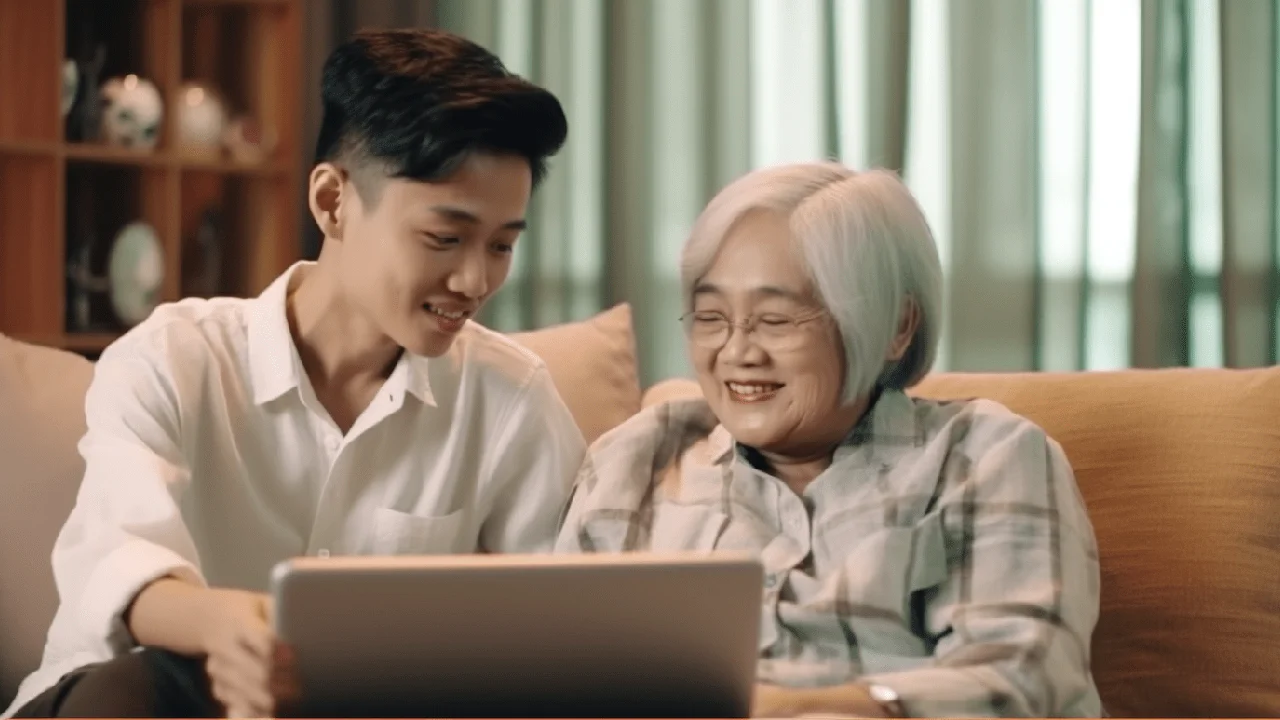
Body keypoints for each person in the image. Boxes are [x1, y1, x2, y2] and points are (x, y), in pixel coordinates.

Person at [5, 28, 585, 720]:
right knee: (160, 681)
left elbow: (577, 614)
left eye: (501, 246)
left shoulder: (510, 399)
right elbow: (115, 556)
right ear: (333, 202)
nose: (474, 280)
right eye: (445, 238)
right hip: (119, 701)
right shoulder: (174, 358)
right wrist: (223, 629)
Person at [556, 162, 1102, 718]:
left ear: (897, 327)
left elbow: (1023, 678)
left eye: (775, 320)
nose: (737, 352)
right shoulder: (634, 461)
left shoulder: (986, 456)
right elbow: (559, 671)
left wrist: (805, 706)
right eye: (711, 316)